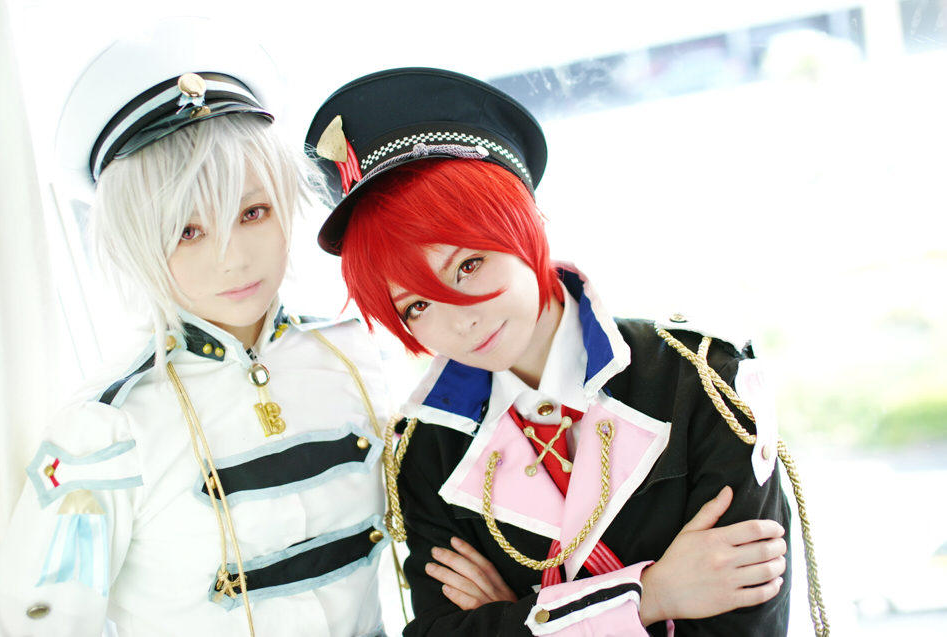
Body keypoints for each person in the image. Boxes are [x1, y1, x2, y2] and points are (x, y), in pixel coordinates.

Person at [304, 68, 793, 637]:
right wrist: (651, 596)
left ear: (523, 225)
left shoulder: (701, 379)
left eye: (469, 265)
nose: (460, 319)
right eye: (416, 306)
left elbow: (747, 621)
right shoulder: (427, 451)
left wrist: (517, 617)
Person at [0, 18, 391, 637]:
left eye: (253, 212)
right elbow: (36, 623)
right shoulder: (107, 431)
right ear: (137, 242)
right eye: (188, 231)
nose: (233, 258)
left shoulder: (355, 356)